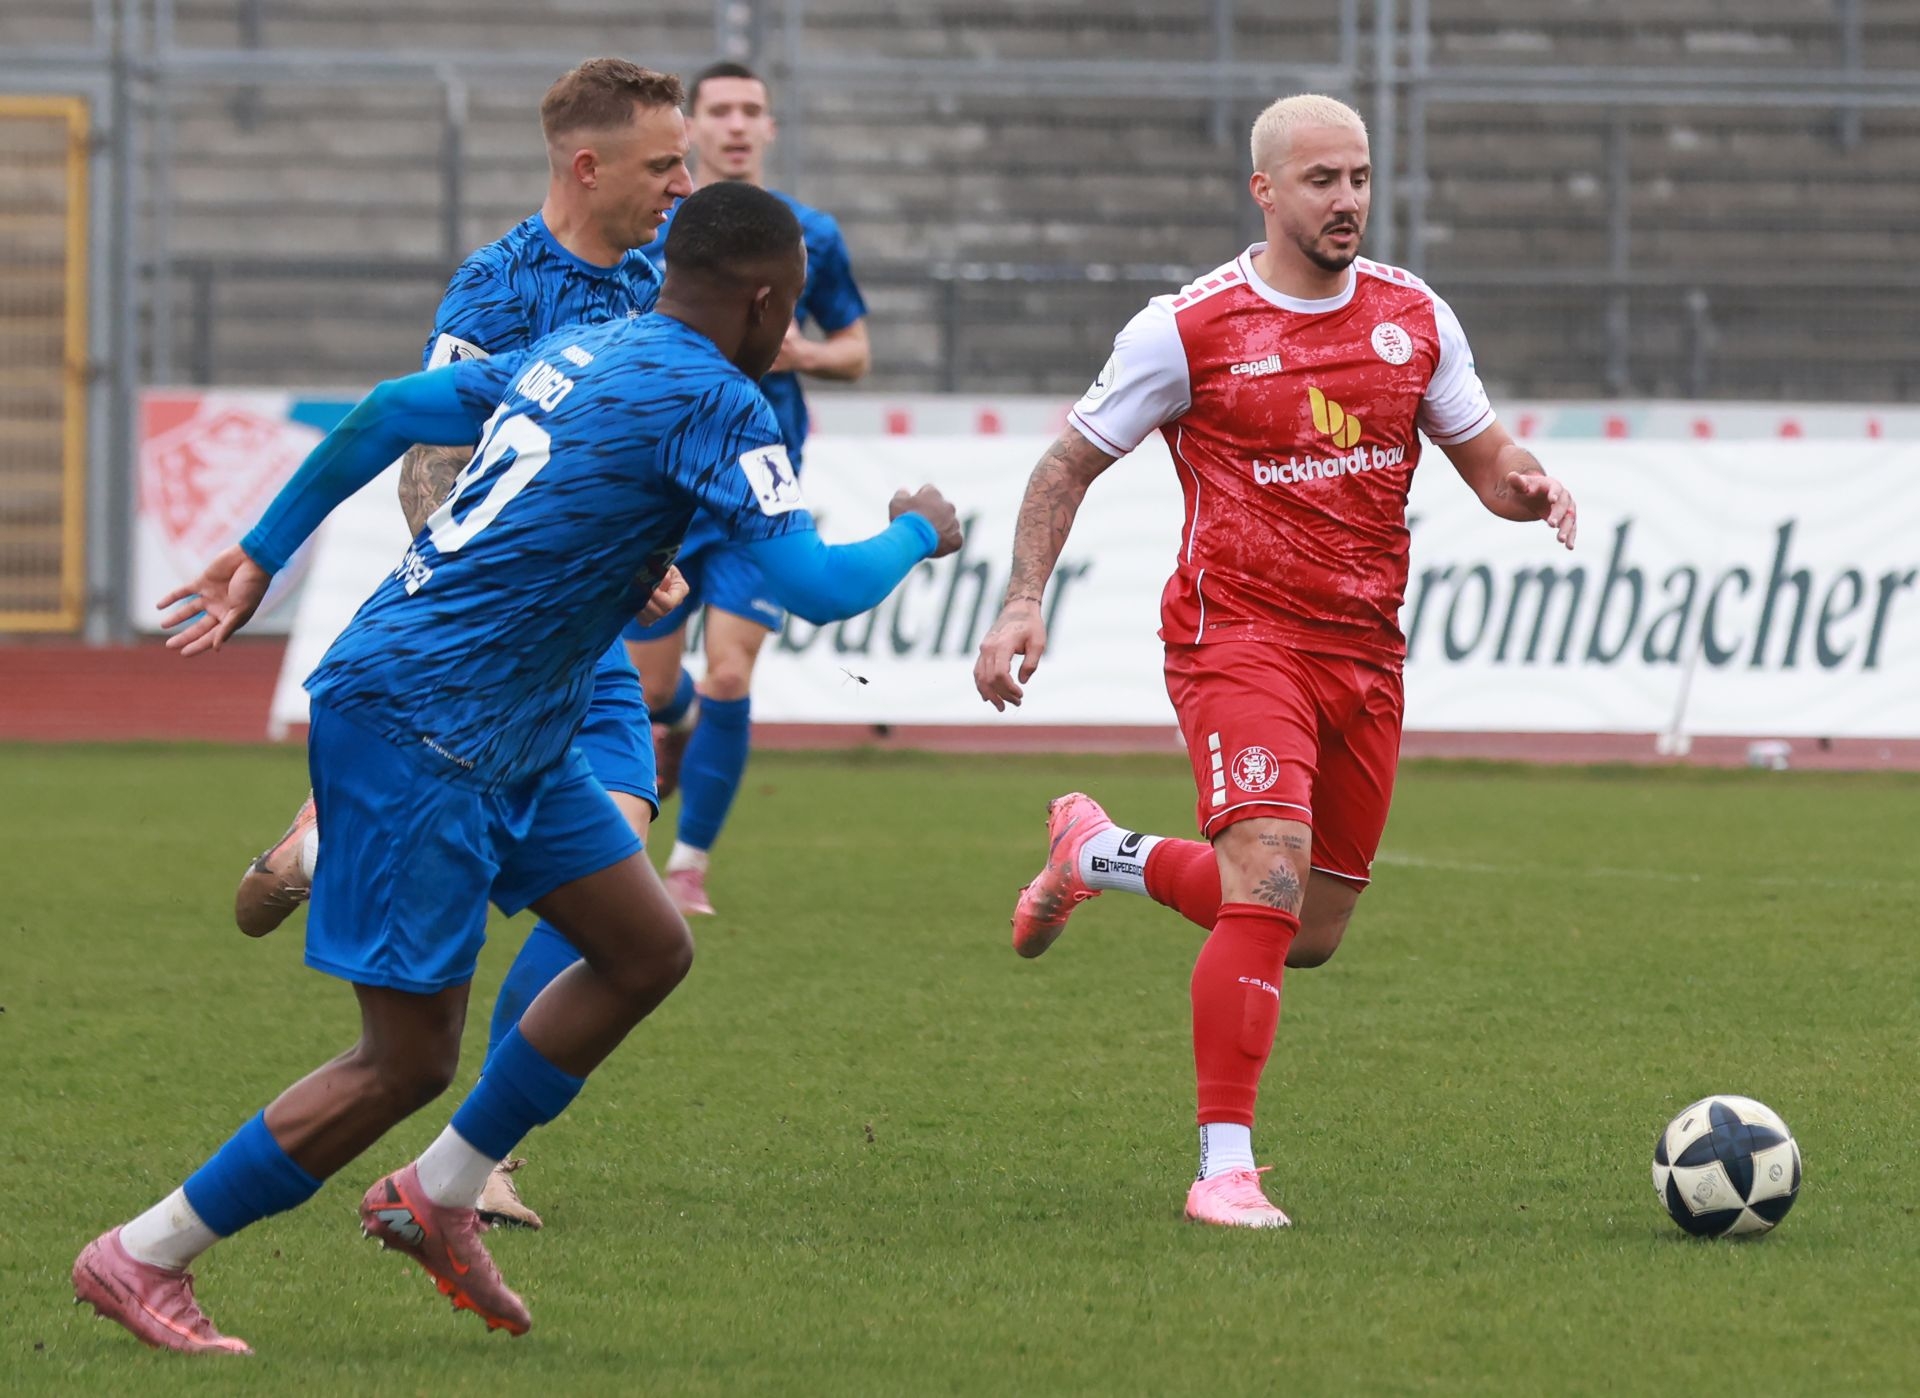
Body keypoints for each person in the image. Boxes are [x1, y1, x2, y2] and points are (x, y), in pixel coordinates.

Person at [74, 180, 963, 1355]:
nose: (786, 332)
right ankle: (143, 1256)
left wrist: (263, 549)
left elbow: (395, 406)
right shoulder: (720, 399)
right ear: (763, 300)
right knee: (406, 1059)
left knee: (646, 948)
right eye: (787, 311)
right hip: (424, 725)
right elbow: (813, 588)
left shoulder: (581, 345)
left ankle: (438, 1195)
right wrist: (918, 529)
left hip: (507, 726)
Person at [971, 94, 1577, 1230]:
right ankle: (1224, 1167)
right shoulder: (1187, 328)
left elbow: (1486, 456)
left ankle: (1095, 851)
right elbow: (1066, 466)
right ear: (1264, 190)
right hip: (1235, 635)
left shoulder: (1414, 314)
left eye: (1358, 178)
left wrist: (1527, 489)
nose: (1346, 200)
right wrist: (1020, 600)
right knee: (1270, 871)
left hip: (1365, 653)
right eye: (1321, 181)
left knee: (1308, 931)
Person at [231, 57, 695, 1231]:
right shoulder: (496, 293)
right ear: (589, 167)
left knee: (626, 868)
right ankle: (459, 1150)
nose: (684, 183)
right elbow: (429, 467)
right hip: (500, 641)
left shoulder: (651, 276)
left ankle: (466, 1144)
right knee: (582, 894)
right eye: (663, 164)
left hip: (579, 632)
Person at [624, 59, 872, 918]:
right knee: (653, 692)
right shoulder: (654, 232)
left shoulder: (812, 235)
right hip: (664, 488)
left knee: (730, 671)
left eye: (751, 111)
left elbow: (856, 350)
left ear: (770, 128)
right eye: (719, 110)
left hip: (759, 487)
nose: (736, 124)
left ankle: (687, 866)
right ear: (692, 127)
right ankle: (677, 723)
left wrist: (808, 354)